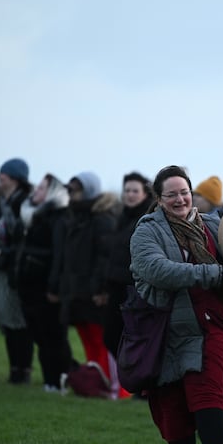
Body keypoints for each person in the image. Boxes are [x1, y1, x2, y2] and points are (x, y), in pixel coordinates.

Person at [129, 165, 223, 444]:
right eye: (172, 194)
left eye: (184, 192)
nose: (180, 199)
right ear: (160, 198)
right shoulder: (147, 231)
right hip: (165, 329)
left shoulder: (215, 227)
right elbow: (156, 270)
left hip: (211, 324)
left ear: (192, 193)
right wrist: (209, 273)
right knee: (171, 398)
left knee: (206, 390)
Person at [59, 171, 128, 399]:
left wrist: (100, 288)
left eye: (75, 189)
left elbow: (104, 257)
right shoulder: (76, 217)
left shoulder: (101, 218)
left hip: (92, 290)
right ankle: (96, 383)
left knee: (101, 341)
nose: (71, 194)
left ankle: (115, 387)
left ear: (87, 190)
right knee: (88, 339)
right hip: (77, 288)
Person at [13, 173, 75, 393]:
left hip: (46, 288)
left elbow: (60, 256)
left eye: (41, 188)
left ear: (52, 192)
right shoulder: (34, 216)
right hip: (29, 286)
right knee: (40, 335)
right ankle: (50, 381)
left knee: (53, 337)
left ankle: (59, 380)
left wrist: (54, 287)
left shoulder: (60, 217)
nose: (35, 192)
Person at [0, 158, 33, 384]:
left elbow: (21, 236)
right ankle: (14, 368)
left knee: (18, 322)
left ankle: (23, 370)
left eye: (3, 174)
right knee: (6, 321)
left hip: (12, 270)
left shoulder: (24, 203)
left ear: (15, 177)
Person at [102, 171, 154, 360]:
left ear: (145, 194)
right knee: (111, 338)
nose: (130, 194)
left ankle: (132, 386)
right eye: (127, 190)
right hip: (116, 288)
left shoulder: (147, 220)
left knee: (128, 340)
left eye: (135, 190)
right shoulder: (122, 217)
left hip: (134, 289)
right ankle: (126, 384)